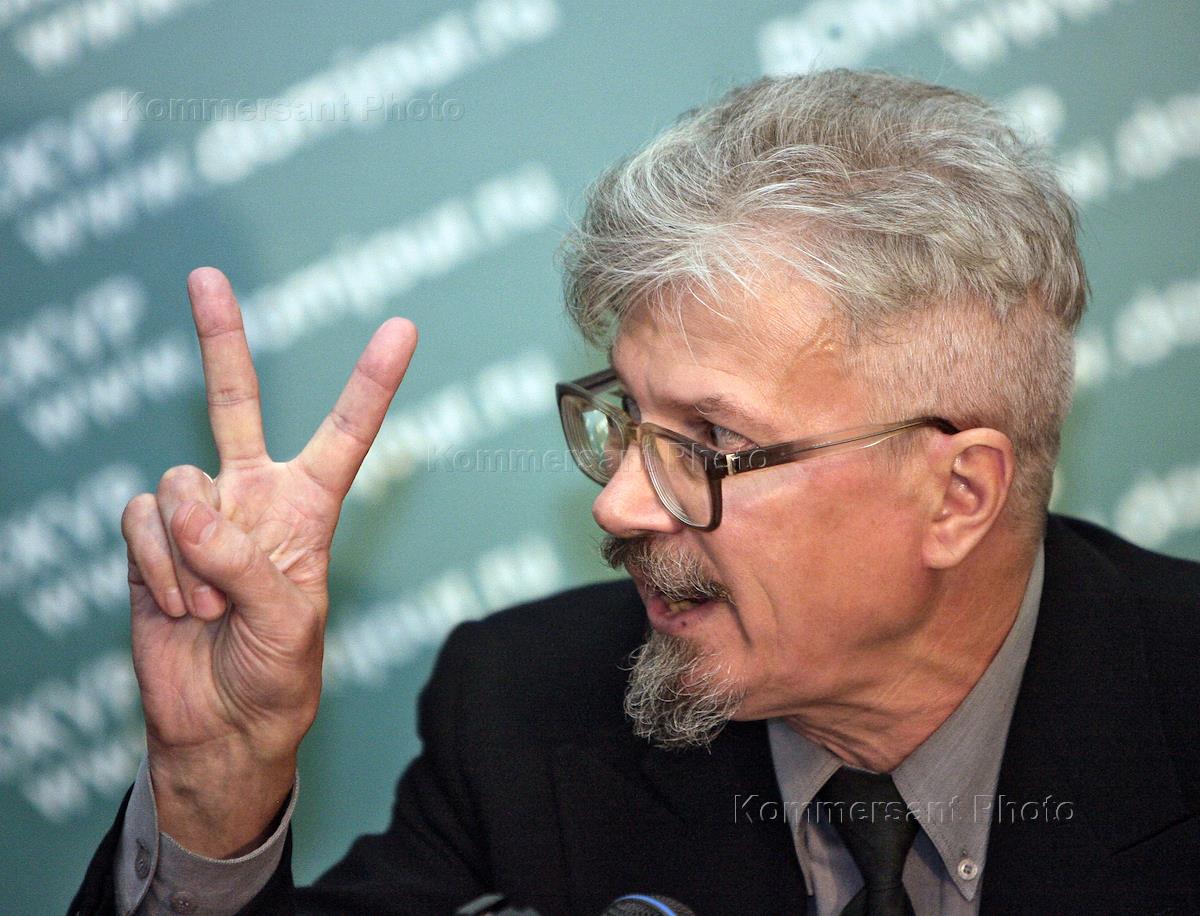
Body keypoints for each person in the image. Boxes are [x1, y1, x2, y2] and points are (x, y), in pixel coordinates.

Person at [71, 69, 1199, 915]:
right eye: (627, 417)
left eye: (712, 440)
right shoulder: (524, 713)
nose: (618, 506)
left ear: (957, 495)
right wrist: (215, 782)